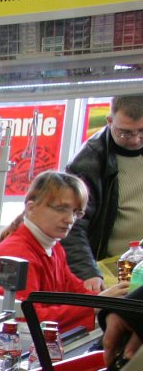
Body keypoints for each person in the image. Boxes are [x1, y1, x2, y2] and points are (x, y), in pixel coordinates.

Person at [0, 171, 96, 335]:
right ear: (31, 208)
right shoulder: (17, 253)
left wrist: (107, 299)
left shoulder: (54, 247)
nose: (70, 220)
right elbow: (25, 317)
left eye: (76, 212)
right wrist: (95, 306)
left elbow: (75, 289)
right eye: (61, 209)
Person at [62, 95, 143, 290]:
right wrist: (88, 272)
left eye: (142, 131)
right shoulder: (88, 162)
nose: (135, 140)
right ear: (109, 121)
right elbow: (73, 225)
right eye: (125, 133)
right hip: (114, 270)